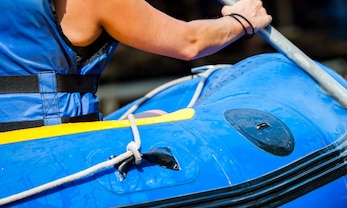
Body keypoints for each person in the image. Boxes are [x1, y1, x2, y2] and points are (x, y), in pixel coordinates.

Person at [0, 0, 272, 132]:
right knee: (161, 122)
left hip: (8, 151)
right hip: (59, 143)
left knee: (150, 114)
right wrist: (241, 20)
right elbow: (189, 43)